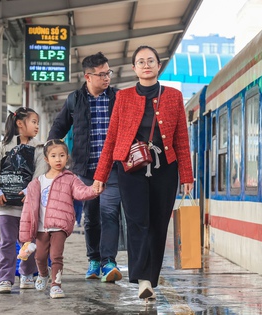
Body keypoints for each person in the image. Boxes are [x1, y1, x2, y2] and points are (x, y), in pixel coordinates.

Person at [93, 45, 194, 300]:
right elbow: (112, 137)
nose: (146, 65)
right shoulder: (123, 97)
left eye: (151, 61)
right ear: (134, 68)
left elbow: (182, 138)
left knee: (159, 224)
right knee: (138, 222)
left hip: (166, 169)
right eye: (141, 61)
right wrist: (100, 175)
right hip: (131, 169)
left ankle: (151, 274)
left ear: (159, 66)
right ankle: (144, 280)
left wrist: (187, 176)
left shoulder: (173, 96)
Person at [48, 52, 122, 283]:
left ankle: (109, 262)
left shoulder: (119, 98)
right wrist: (52, 156)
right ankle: (94, 259)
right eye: (101, 74)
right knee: (91, 217)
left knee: (110, 213)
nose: (107, 78)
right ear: (87, 77)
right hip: (86, 170)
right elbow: (58, 128)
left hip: (113, 169)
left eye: (108, 72)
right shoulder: (74, 100)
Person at [19, 139, 99, 299]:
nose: (58, 159)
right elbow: (28, 210)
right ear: (46, 159)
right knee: (40, 257)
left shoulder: (71, 179)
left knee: (56, 256)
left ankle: (56, 285)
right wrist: (26, 236)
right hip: (41, 227)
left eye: (62, 155)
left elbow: (81, 192)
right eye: (54, 155)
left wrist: (95, 189)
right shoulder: (37, 182)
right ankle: (43, 274)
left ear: (67, 157)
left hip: (60, 226)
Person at [0, 107, 46, 294]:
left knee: (28, 241)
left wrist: (30, 190)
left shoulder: (39, 148)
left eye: (37, 123)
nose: (36, 127)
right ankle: (4, 279)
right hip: (5, 205)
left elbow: (40, 172)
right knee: (7, 242)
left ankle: (26, 275)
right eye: (33, 122)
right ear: (20, 123)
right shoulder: (1, 147)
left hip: (29, 205)